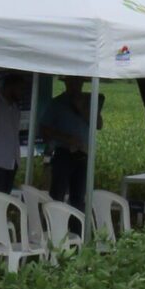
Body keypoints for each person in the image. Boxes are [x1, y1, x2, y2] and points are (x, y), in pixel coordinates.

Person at [43, 75, 104, 209]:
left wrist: (82, 108)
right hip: (63, 153)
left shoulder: (89, 102)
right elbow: (45, 129)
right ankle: (55, 225)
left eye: (79, 82)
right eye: (73, 82)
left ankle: (76, 228)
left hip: (83, 153)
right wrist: (66, 138)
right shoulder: (57, 103)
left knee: (78, 196)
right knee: (57, 193)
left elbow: (98, 125)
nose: (76, 85)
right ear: (66, 83)